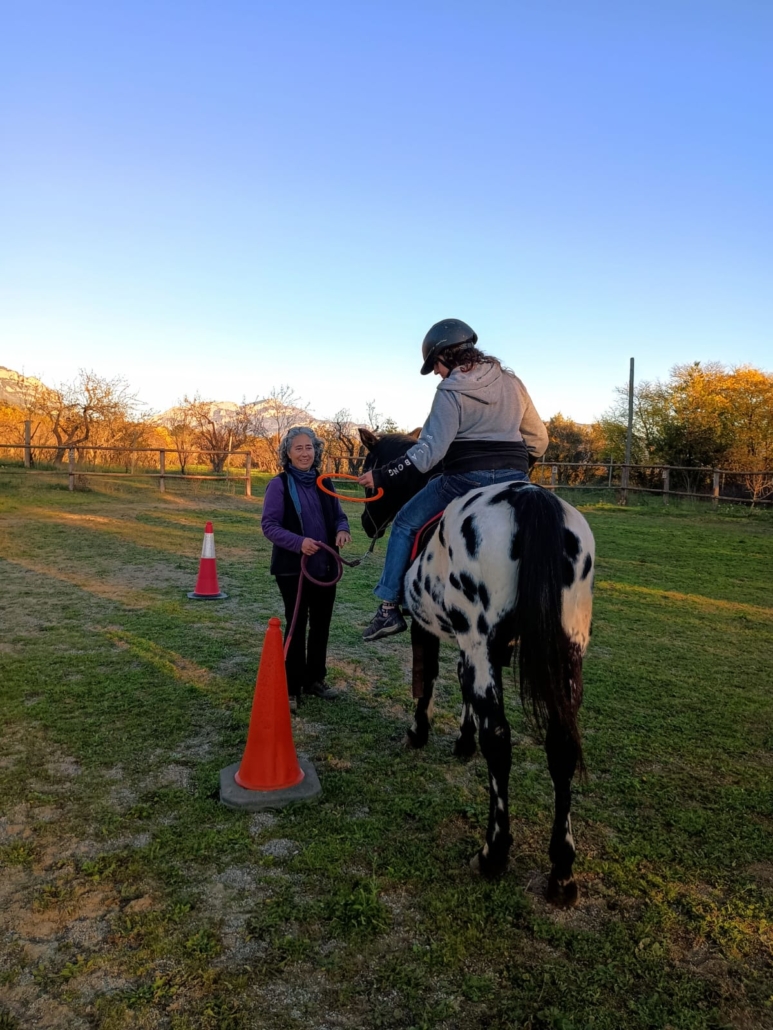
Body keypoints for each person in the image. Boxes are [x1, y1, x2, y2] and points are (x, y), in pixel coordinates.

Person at [359, 318, 549, 641]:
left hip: (463, 480)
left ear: (447, 354)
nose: (436, 372)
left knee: (404, 522)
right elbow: (539, 441)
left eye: (435, 363)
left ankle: (388, 608)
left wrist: (381, 475)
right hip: (515, 480)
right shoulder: (513, 383)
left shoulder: (450, 390)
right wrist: (516, 470)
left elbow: (429, 453)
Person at [261, 426, 351, 710]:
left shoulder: (325, 482)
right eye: (298, 448)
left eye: (309, 447)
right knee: (297, 625)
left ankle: (315, 679)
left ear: (316, 451)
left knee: (321, 624)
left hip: (325, 568)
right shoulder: (279, 484)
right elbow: (269, 525)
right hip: (293, 570)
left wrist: (342, 529)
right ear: (287, 453)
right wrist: (299, 543)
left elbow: (339, 516)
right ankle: (291, 686)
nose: (304, 453)